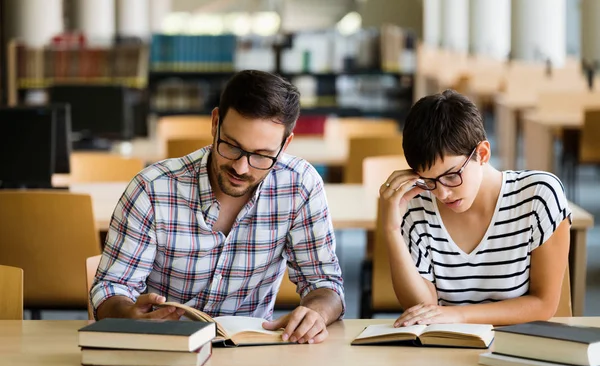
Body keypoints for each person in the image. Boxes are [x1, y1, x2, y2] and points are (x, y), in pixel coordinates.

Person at [91, 70, 345, 344]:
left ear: (286, 145)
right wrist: (127, 316)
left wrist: (315, 312)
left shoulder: (300, 185)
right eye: (231, 146)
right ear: (215, 124)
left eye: (262, 155)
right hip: (166, 347)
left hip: (251, 352)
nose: (240, 167)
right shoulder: (152, 188)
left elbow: (325, 284)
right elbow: (111, 288)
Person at [380, 89, 571, 327]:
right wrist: (391, 229)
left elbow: (544, 304)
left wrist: (460, 315)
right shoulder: (418, 205)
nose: (442, 193)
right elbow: (421, 309)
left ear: (482, 153)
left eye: (451, 176)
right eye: (429, 181)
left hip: (520, 350)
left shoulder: (539, 195)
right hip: (444, 349)